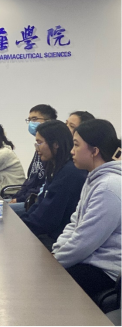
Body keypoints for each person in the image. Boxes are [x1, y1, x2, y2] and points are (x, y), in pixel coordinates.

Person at [52, 119, 122, 302]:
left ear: (94, 151)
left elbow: (85, 241)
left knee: (46, 284)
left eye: (76, 145)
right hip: (89, 259)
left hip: (106, 270)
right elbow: (75, 223)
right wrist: (56, 252)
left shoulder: (108, 187)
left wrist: (53, 264)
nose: (71, 151)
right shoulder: (94, 178)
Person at [19, 120, 87, 250]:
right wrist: (22, 223)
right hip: (49, 233)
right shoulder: (55, 166)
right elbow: (40, 203)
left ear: (55, 144)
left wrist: (20, 229)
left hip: (57, 239)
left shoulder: (70, 172)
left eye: (39, 143)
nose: (36, 148)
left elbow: (48, 218)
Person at [9, 104, 58, 214]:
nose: (31, 123)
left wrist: (20, 199)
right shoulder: (39, 149)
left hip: (34, 201)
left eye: (35, 119)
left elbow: (42, 186)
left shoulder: (50, 153)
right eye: (29, 120)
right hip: (25, 198)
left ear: (49, 121)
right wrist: (17, 197)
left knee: (2, 211)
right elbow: (30, 180)